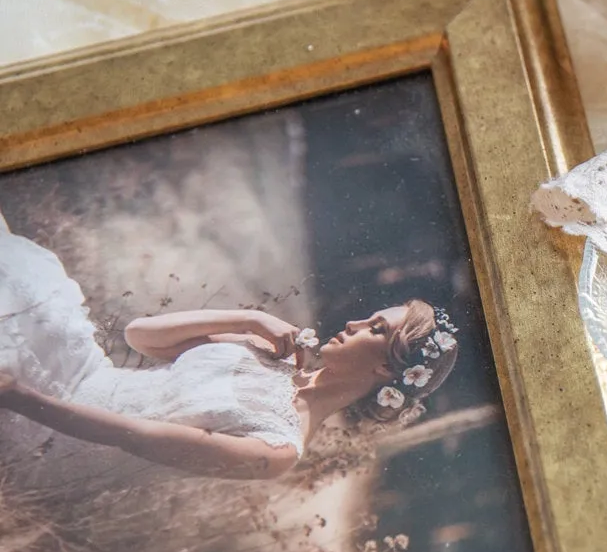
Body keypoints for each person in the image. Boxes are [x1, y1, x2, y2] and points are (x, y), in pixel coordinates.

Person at [0, 210, 458, 490]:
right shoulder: (272, 356)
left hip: (50, 438)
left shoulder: (277, 448)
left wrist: (21, 398)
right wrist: (248, 319)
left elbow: (131, 435)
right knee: (17, 272)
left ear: (385, 368)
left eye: (374, 329)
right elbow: (140, 335)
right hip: (83, 373)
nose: (355, 323)